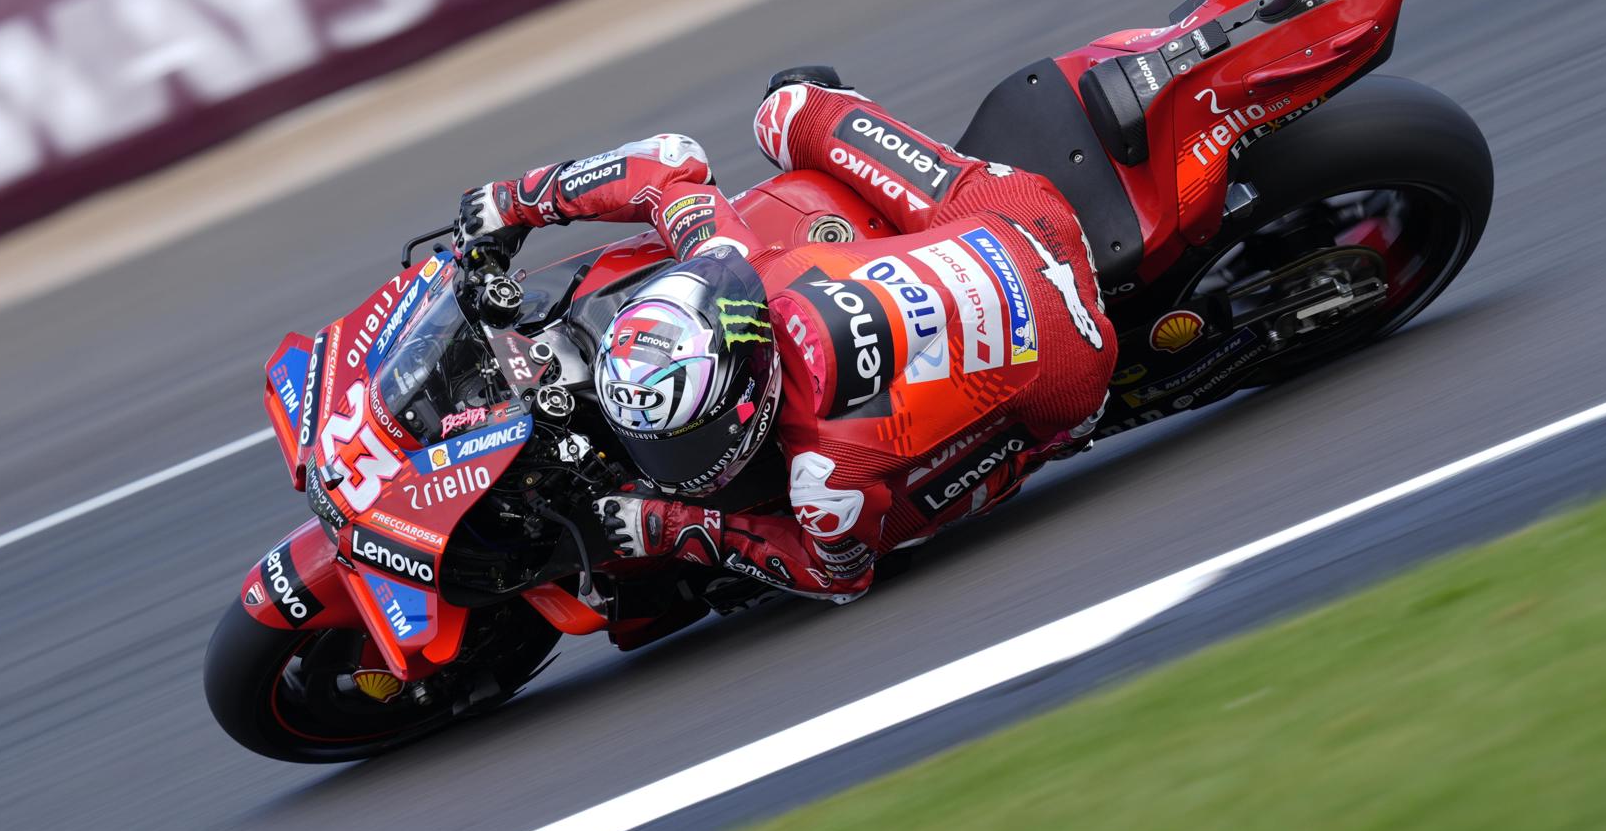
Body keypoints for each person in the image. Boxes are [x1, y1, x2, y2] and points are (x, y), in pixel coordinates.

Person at [457, 70, 1115, 601]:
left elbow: (838, 577)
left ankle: (1052, 440)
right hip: (1006, 216)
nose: (668, 460)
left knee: (890, 534)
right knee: (788, 104)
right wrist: (511, 203)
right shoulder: (744, 268)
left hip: (1068, 364)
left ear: (749, 400)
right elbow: (665, 165)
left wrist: (669, 523)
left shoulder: (825, 470)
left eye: (684, 441)